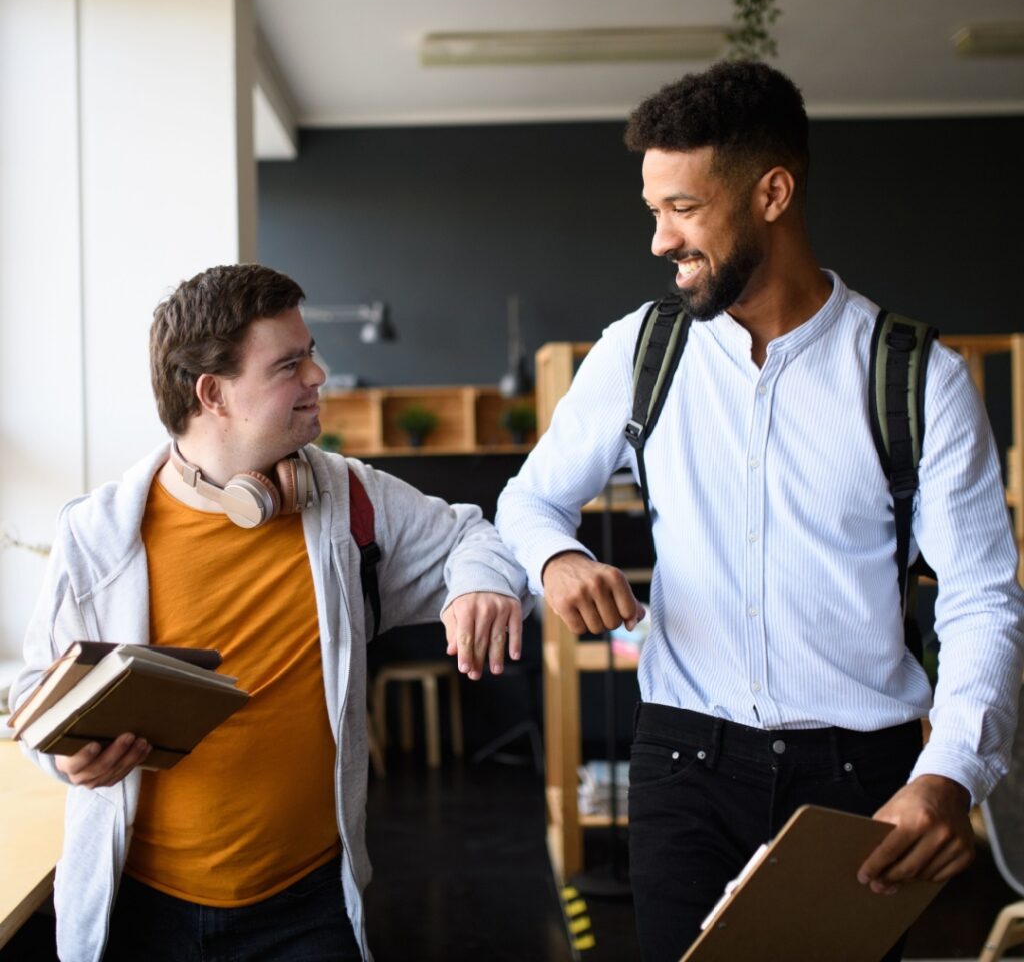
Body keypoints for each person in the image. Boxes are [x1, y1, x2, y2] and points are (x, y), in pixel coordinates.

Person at [495, 61, 1024, 962]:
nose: (660, 239)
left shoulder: (918, 378)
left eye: (684, 209)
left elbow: (982, 600)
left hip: (861, 780)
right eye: (652, 210)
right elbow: (528, 499)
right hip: (680, 768)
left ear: (773, 192)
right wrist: (556, 560)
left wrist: (948, 775)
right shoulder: (638, 351)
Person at [11, 263, 529, 962]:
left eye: (310, 352)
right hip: (141, 913)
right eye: (291, 363)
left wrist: (478, 587)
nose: (319, 375)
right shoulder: (98, 533)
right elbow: (35, 693)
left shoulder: (347, 496)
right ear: (212, 393)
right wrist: (67, 757)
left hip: (306, 910)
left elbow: (476, 534)